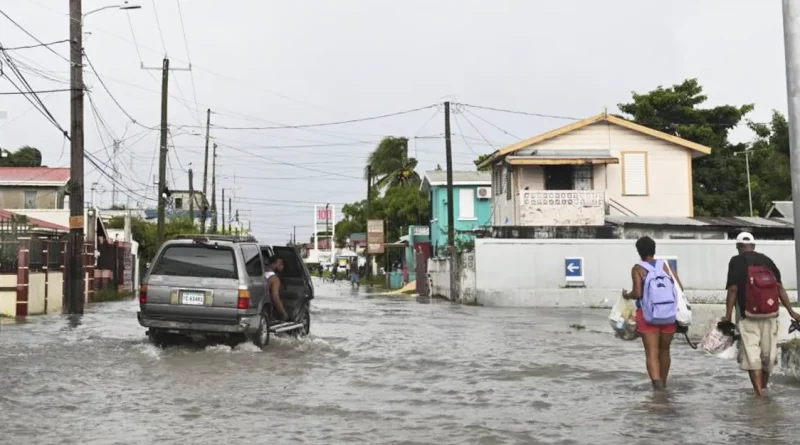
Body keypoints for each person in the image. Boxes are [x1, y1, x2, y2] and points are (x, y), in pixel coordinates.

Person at [723, 231, 800, 396]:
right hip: (770, 314)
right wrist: (792, 312)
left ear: (738, 247)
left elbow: (733, 289)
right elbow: (779, 288)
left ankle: (759, 396)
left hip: (747, 316)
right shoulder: (766, 260)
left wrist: (728, 316)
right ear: (753, 246)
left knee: (752, 355)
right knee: (768, 355)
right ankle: (764, 390)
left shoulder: (735, 261)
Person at [622, 236, 683, 390]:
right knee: (665, 351)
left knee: (651, 353)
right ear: (654, 249)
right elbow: (679, 287)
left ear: (639, 251)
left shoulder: (638, 269)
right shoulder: (666, 266)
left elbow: (638, 292)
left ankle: (657, 387)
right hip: (668, 315)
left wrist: (627, 295)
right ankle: (664, 383)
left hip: (648, 315)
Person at [265, 255, 288, 321]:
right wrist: (283, 313)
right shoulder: (274, 279)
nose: (282, 267)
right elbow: (275, 298)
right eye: (280, 264)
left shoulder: (262, 273)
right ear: (273, 264)